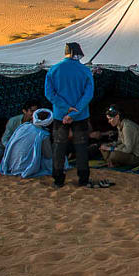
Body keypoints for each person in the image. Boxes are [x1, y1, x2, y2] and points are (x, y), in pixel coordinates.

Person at [45, 42, 94, 188]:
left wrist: (66, 109)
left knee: (59, 147)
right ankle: (83, 178)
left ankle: (58, 179)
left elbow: (49, 93)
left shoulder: (54, 70)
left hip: (60, 115)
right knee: (81, 147)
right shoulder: (85, 71)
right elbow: (88, 94)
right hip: (80, 115)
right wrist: (75, 110)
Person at [0, 100, 39, 171]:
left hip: (25, 148)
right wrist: (11, 147)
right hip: (9, 144)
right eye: (32, 111)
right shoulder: (13, 121)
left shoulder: (38, 123)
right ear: (24, 111)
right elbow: (5, 138)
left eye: (37, 111)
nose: (34, 114)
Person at [0, 108, 55, 178]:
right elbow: (48, 155)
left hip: (10, 165)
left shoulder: (23, 126)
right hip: (24, 167)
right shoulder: (43, 134)